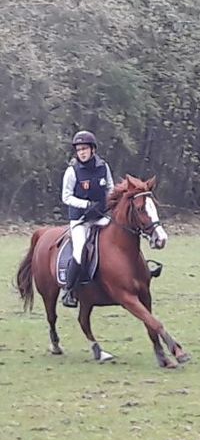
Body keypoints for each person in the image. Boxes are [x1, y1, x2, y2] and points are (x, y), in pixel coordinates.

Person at [60, 130, 114, 308]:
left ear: (93, 149)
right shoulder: (72, 171)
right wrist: (86, 204)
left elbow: (111, 188)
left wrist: (109, 204)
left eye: (85, 148)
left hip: (100, 216)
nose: (81, 152)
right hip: (80, 220)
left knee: (120, 235)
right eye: (79, 149)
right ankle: (68, 290)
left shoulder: (103, 167)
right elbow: (66, 197)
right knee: (79, 250)